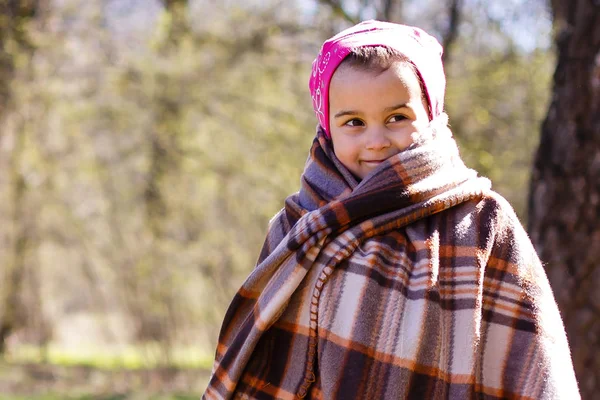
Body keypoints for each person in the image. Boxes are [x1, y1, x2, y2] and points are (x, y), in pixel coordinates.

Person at [203, 20, 580, 399]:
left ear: (430, 114)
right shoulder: (297, 225)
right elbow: (255, 348)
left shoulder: (481, 224)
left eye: (397, 118)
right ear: (328, 129)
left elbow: (534, 367)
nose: (377, 141)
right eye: (354, 122)